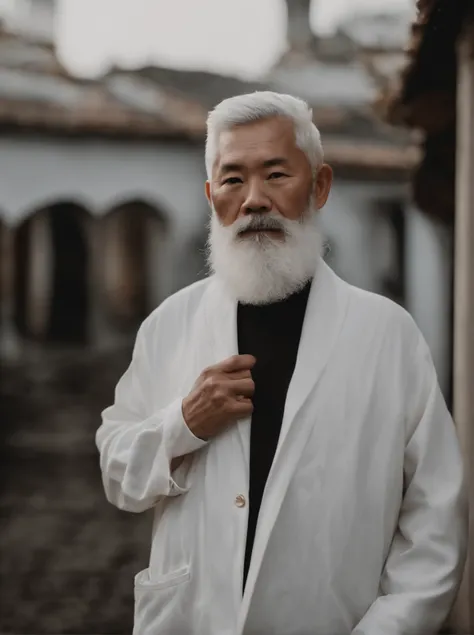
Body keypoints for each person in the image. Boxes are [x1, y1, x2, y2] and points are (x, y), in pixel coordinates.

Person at [96, 91, 467, 635]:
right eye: (232, 180)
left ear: (318, 187)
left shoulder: (388, 336)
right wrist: (182, 424)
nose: (253, 200)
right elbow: (118, 474)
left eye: (276, 175)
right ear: (211, 197)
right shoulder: (169, 326)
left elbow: (435, 519)